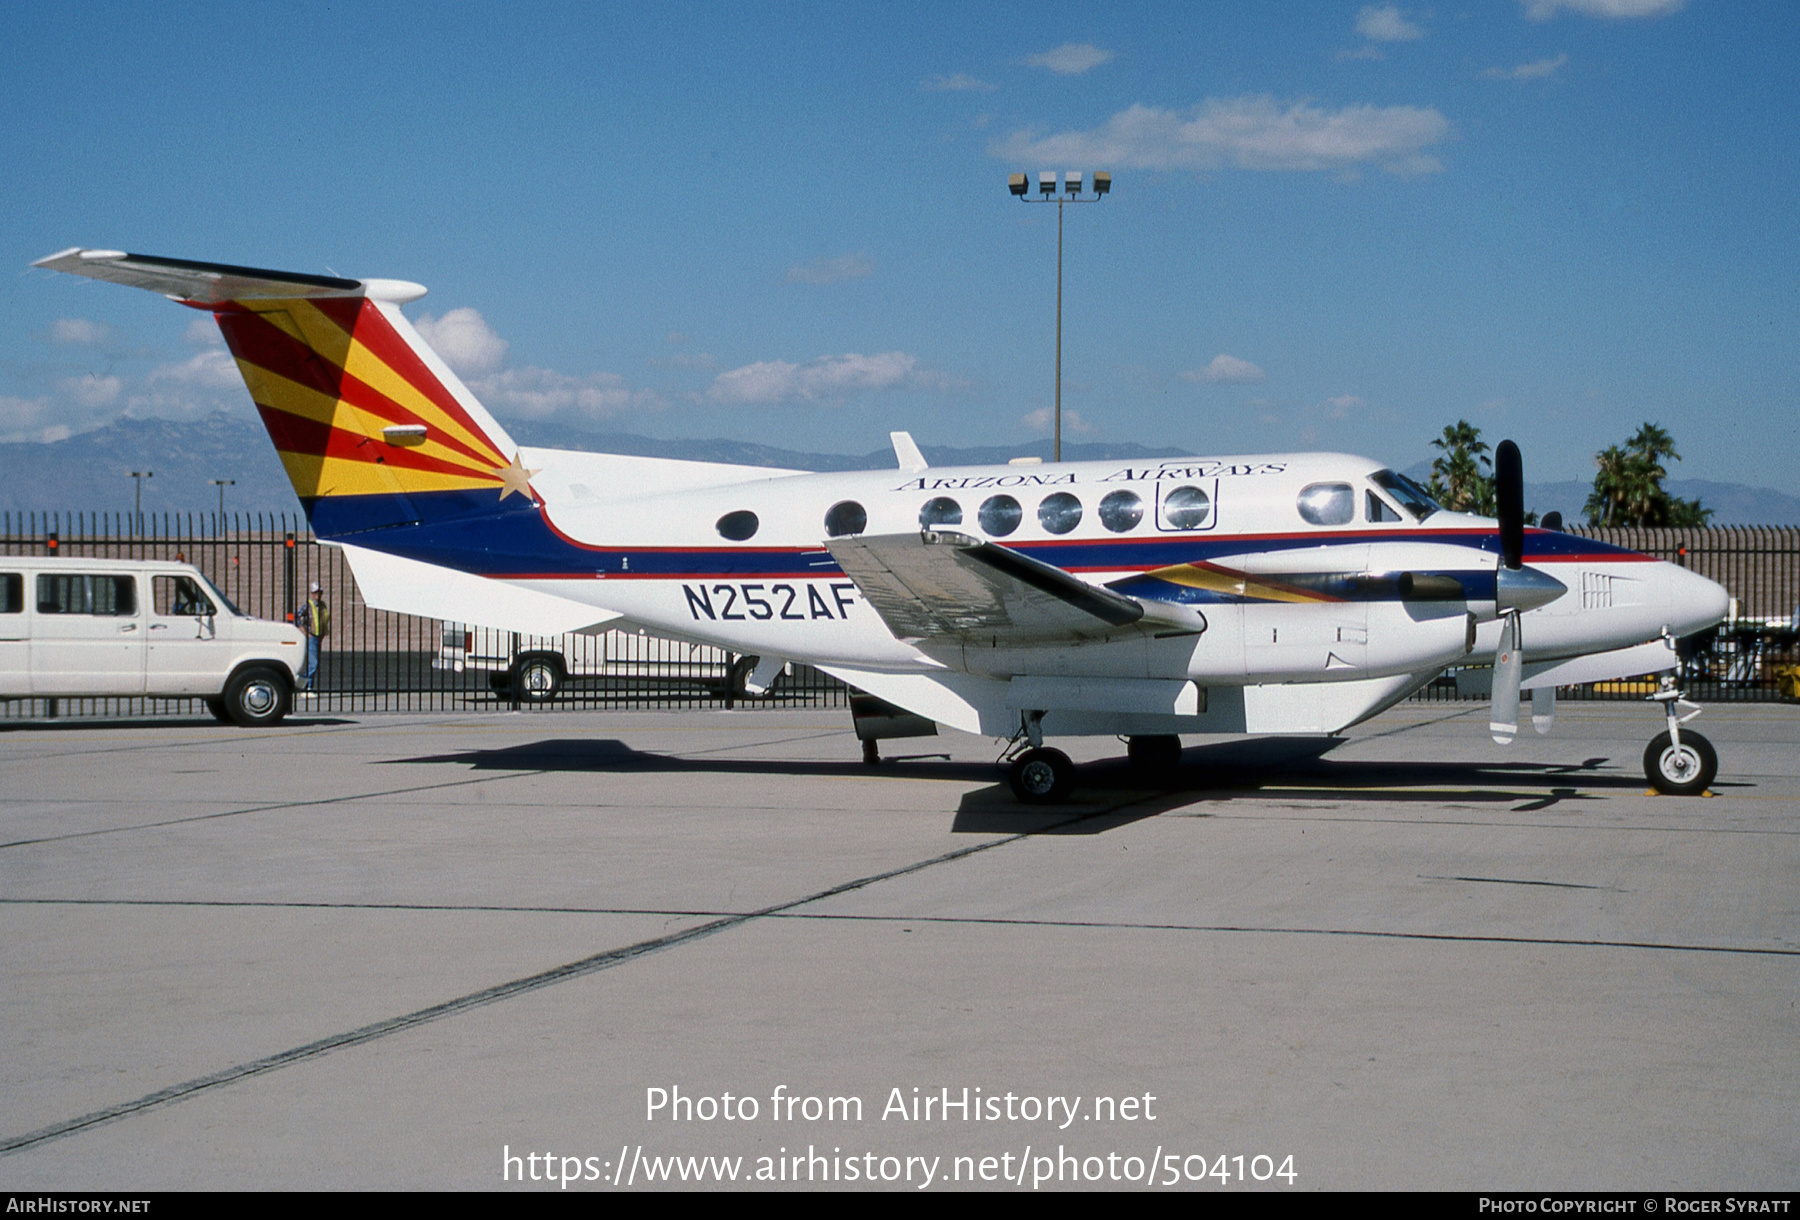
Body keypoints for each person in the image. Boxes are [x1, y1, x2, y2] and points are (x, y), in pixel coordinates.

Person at [296, 581, 330, 693]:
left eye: (320, 593)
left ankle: (302, 685)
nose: (318, 595)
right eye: (316, 593)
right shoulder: (308, 605)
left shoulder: (322, 605)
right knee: (313, 664)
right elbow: (297, 617)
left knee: (313, 663)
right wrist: (305, 632)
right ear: (311, 593)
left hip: (319, 637)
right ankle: (307, 687)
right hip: (312, 637)